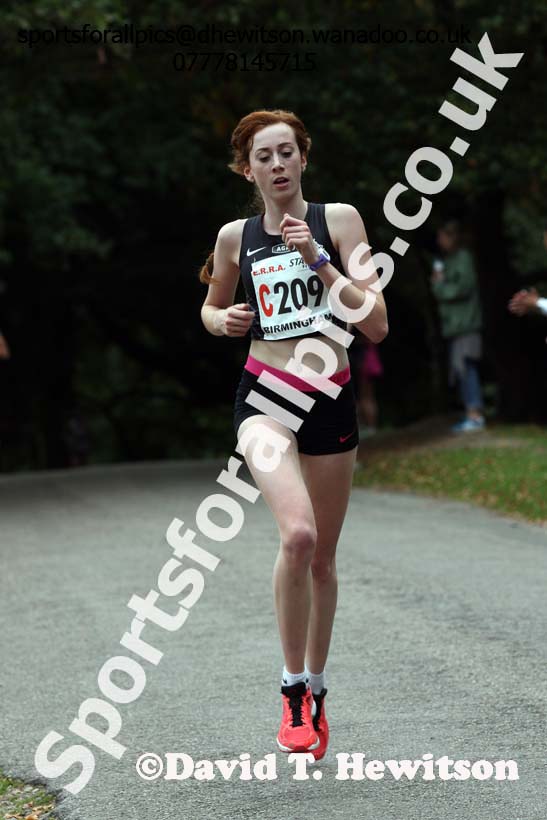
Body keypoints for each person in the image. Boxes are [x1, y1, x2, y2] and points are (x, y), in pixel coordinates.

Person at [199, 109, 388, 760]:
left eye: (286, 152)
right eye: (263, 156)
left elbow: (377, 324)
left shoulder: (340, 222)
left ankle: (316, 687)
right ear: (246, 170)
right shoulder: (235, 237)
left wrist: (321, 264)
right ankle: (288, 689)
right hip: (264, 396)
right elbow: (210, 303)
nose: (276, 164)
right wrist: (218, 319)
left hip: (329, 397)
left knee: (324, 559)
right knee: (298, 534)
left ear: (303, 158)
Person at [431, 219, 485, 433]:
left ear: (452, 237)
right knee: (461, 369)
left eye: (442, 236)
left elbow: (462, 287)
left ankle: (475, 415)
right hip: (456, 326)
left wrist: (439, 286)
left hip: (466, 324)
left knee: (466, 367)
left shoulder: (463, 259)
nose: (439, 241)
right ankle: (472, 413)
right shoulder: (450, 259)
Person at [348, 333, 383, 436]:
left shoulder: (363, 340)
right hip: (372, 366)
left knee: (364, 398)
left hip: (365, 367)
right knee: (369, 397)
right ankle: (371, 426)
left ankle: (368, 426)